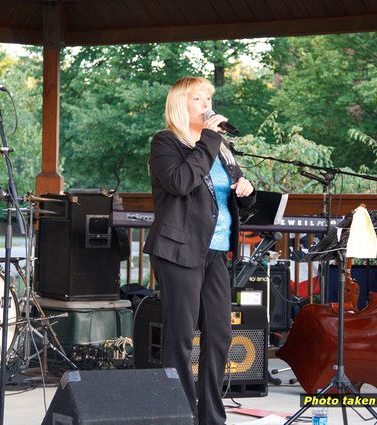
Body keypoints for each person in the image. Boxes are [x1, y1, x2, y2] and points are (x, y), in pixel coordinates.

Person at [143, 76, 255, 425]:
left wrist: (246, 190)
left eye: (209, 98)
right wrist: (208, 139)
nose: (207, 105)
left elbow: (237, 201)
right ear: (180, 104)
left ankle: (211, 418)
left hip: (216, 252)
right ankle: (178, 416)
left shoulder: (219, 149)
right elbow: (179, 183)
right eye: (198, 98)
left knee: (219, 335)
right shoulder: (166, 143)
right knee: (180, 336)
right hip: (178, 251)